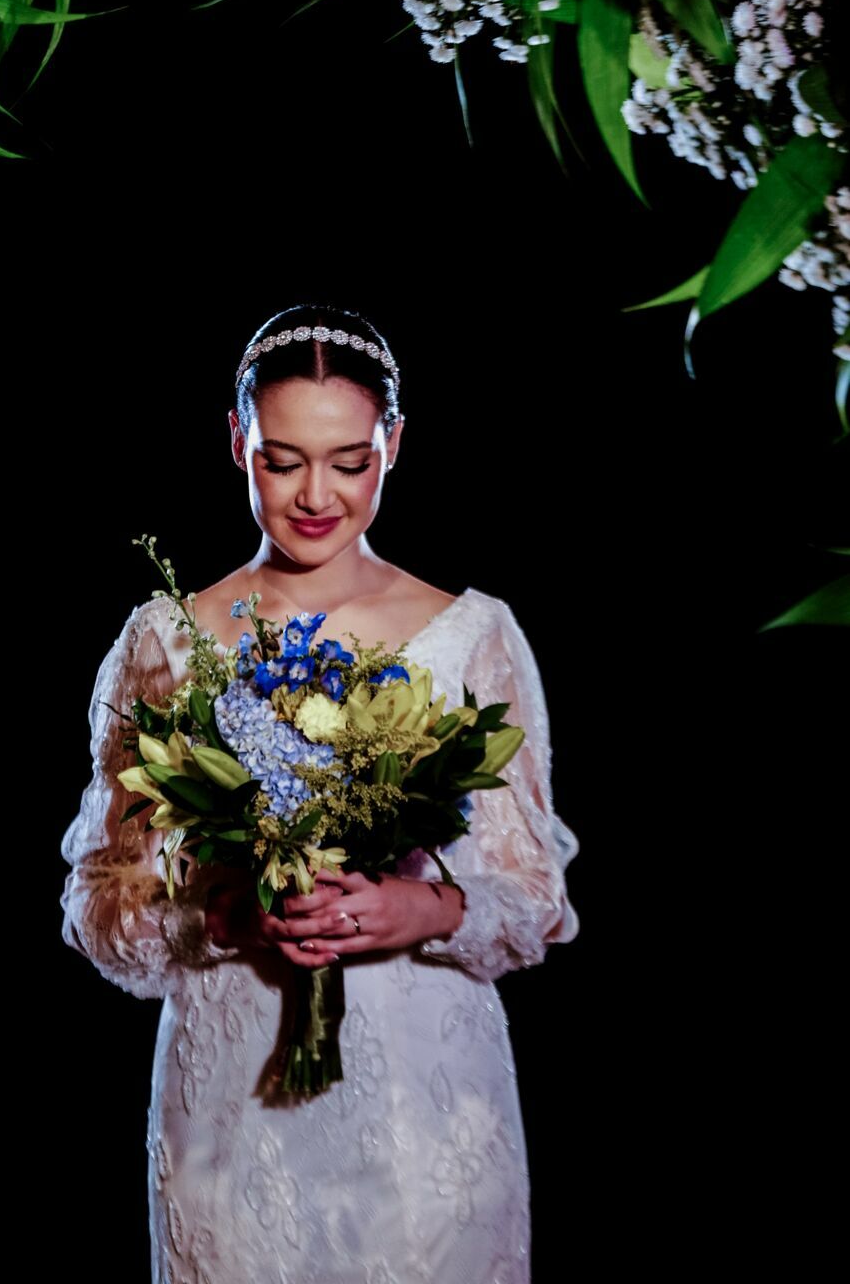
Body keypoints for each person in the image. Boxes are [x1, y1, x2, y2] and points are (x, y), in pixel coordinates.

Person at [59, 303, 580, 1284]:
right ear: (234, 439)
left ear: (393, 442)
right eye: (281, 457)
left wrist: (412, 906)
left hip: (427, 1104)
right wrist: (226, 906)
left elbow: (531, 896)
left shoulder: (471, 636)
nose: (314, 493)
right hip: (233, 1100)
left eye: (347, 460)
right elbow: (105, 901)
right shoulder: (166, 639)